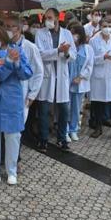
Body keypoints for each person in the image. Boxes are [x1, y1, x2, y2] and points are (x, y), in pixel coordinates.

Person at [0, 25, 32, 185]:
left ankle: (11, 170)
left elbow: (27, 73)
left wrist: (16, 62)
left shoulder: (17, 50)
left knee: (13, 137)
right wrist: (9, 63)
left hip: (12, 99)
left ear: (2, 37)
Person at [35, 8, 76, 152]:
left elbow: (74, 55)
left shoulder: (67, 33)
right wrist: (57, 51)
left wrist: (66, 53)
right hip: (47, 77)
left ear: (58, 18)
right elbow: (39, 54)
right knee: (44, 110)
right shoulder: (40, 34)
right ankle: (43, 139)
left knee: (64, 110)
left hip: (62, 76)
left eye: (50, 17)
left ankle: (62, 139)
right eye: (46, 18)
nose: (48, 20)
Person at [5, 15, 43, 145]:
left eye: (12, 26)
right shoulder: (3, 46)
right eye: (7, 27)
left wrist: (32, 95)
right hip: (6, 93)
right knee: (5, 129)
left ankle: (16, 158)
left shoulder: (30, 47)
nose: (9, 30)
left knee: (17, 129)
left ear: (20, 28)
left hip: (23, 92)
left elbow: (38, 72)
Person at [89, 17, 111, 143]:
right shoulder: (94, 41)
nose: (107, 28)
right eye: (104, 25)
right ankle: (98, 128)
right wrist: (103, 57)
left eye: (109, 25)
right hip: (98, 77)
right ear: (100, 26)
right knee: (98, 104)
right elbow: (91, 59)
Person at [67, 25, 93, 142]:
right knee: (65, 108)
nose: (73, 36)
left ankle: (74, 130)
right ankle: (65, 130)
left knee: (76, 108)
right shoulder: (67, 47)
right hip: (67, 82)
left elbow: (89, 66)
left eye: (75, 33)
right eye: (71, 33)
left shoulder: (88, 49)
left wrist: (80, 77)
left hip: (79, 83)